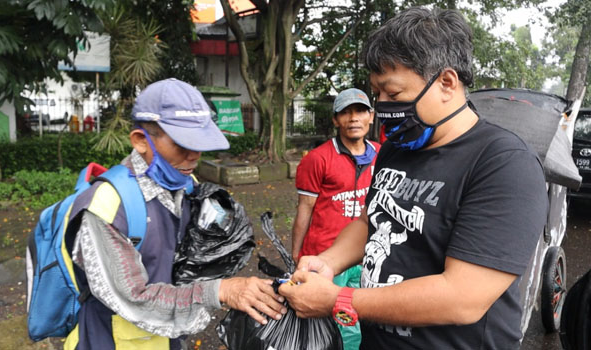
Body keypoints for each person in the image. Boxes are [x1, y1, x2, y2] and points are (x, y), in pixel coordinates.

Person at [279, 7, 548, 350]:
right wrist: (327, 262)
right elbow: (370, 220)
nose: (382, 105)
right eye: (378, 93)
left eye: (393, 94)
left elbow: (463, 297)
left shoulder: (504, 165)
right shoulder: (395, 150)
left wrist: (340, 300)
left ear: (447, 83)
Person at [63, 78, 286, 350]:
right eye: (183, 143)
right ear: (141, 141)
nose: (194, 155)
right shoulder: (106, 208)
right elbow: (135, 297)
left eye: (200, 142)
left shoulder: (187, 187)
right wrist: (222, 291)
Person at [292, 88, 380, 349]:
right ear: (335, 120)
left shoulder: (382, 155)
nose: (353, 118)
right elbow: (304, 209)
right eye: (345, 112)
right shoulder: (318, 159)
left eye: (360, 111)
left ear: (371, 117)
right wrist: (296, 255)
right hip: (327, 255)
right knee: (328, 320)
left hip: (366, 253)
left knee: (360, 313)